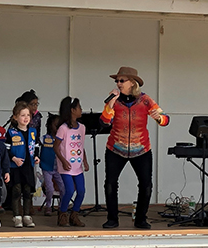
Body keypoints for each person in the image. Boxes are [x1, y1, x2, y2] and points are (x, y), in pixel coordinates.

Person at [100, 67, 169, 229]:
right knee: (110, 184)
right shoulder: (114, 101)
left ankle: (141, 219)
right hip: (115, 148)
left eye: (121, 80)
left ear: (132, 83)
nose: (118, 83)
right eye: (116, 81)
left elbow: (166, 120)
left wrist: (159, 118)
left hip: (141, 149)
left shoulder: (145, 100)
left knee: (146, 185)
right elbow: (103, 122)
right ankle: (112, 219)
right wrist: (110, 103)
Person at [53, 97, 89, 227]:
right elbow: (56, 146)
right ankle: (62, 214)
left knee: (81, 191)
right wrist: (62, 160)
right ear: (72, 110)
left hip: (77, 165)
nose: (81, 110)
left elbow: (81, 146)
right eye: (79, 107)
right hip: (66, 166)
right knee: (69, 190)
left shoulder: (82, 128)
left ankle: (74, 215)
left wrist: (85, 161)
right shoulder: (63, 128)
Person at [5, 101, 40, 228]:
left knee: (27, 190)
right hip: (16, 166)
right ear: (15, 117)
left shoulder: (33, 131)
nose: (26, 118)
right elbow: (6, 150)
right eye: (22, 115)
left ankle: (27, 216)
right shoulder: (11, 132)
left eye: (28, 115)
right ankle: (17, 217)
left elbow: (36, 146)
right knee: (16, 190)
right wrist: (14, 159)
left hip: (28, 166)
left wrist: (36, 156)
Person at [40, 113, 65, 216]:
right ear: (50, 126)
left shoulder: (62, 140)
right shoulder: (44, 138)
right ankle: (48, 206)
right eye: (56, 125)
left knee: (63, 188)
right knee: (49, 189)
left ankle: (61, 206)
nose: (58, 128)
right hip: (47, 168)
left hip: (58, 168)